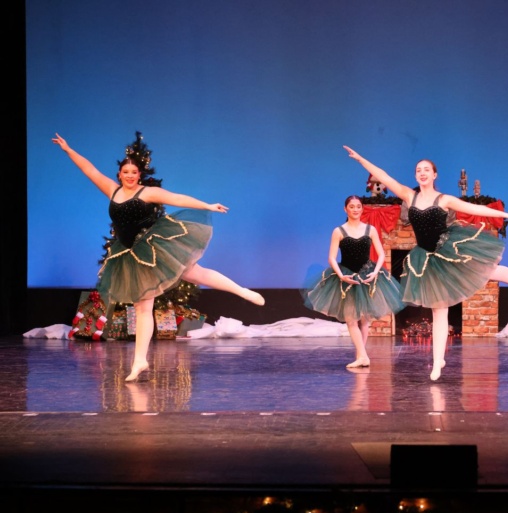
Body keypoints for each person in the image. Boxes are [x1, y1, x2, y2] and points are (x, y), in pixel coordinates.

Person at [52, 133, 265, 382]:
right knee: (143, 307)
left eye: (134, 172)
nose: (130, 176)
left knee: (195, 273)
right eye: (126, 172)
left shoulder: (147, 193)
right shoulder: (112, 190)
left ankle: (242, 291)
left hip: (152, 247)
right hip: (129, 254)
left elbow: (176, 198)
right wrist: (68, 149)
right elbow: (89, 170)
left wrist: (207, 206)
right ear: (119, 174)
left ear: (139, 175)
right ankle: (139, 361)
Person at [343, 146, 508, 381]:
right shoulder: (409, 196)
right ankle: (438, 361)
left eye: (426, 170)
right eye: (418, 170)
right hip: (426, 258)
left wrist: (506, 215)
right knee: (439, 311)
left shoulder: (444, 199)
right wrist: (360, 159)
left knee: (490, 270)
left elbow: (475, 208)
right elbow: (384, 176)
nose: (422, 173)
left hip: (448, 249)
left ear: (434, 175)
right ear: (416, 175)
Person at [302, 195, 405, 368]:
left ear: (362, 208)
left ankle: (361, 355)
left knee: (365, 320)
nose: (355, 209)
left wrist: (376, 272)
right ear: (345, 209)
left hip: (367, 275)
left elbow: (381, 254)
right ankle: (363, 356)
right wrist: (341, 276)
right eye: (352, 206)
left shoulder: (370, 230)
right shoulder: (339, 231)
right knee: (351, 319)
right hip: (347, 276)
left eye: (358, 206)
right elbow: (331, 258)